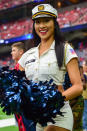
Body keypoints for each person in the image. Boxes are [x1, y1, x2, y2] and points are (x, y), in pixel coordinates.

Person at [18, 3, 83, 131]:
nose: (41, 26)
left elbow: (78, 86)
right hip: (39, 119)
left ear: (54, 23)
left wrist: (54, 101)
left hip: (59, 115)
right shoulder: (28, 55)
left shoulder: (65, 49)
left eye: (46, 21)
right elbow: (17, 83)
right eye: (37, 22)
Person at [11, 42, 26, 131]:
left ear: (21, 52)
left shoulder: (23, 66)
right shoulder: (17, 66)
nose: (11, 53)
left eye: (14, 50)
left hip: (24, 104)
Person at [82, 60, 87, 131]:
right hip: (84, 97)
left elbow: (84, 86)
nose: (83, 66)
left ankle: (84, 127)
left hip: (85, 97)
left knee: (85, 113)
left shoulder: (84, 75)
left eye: (84, 65)